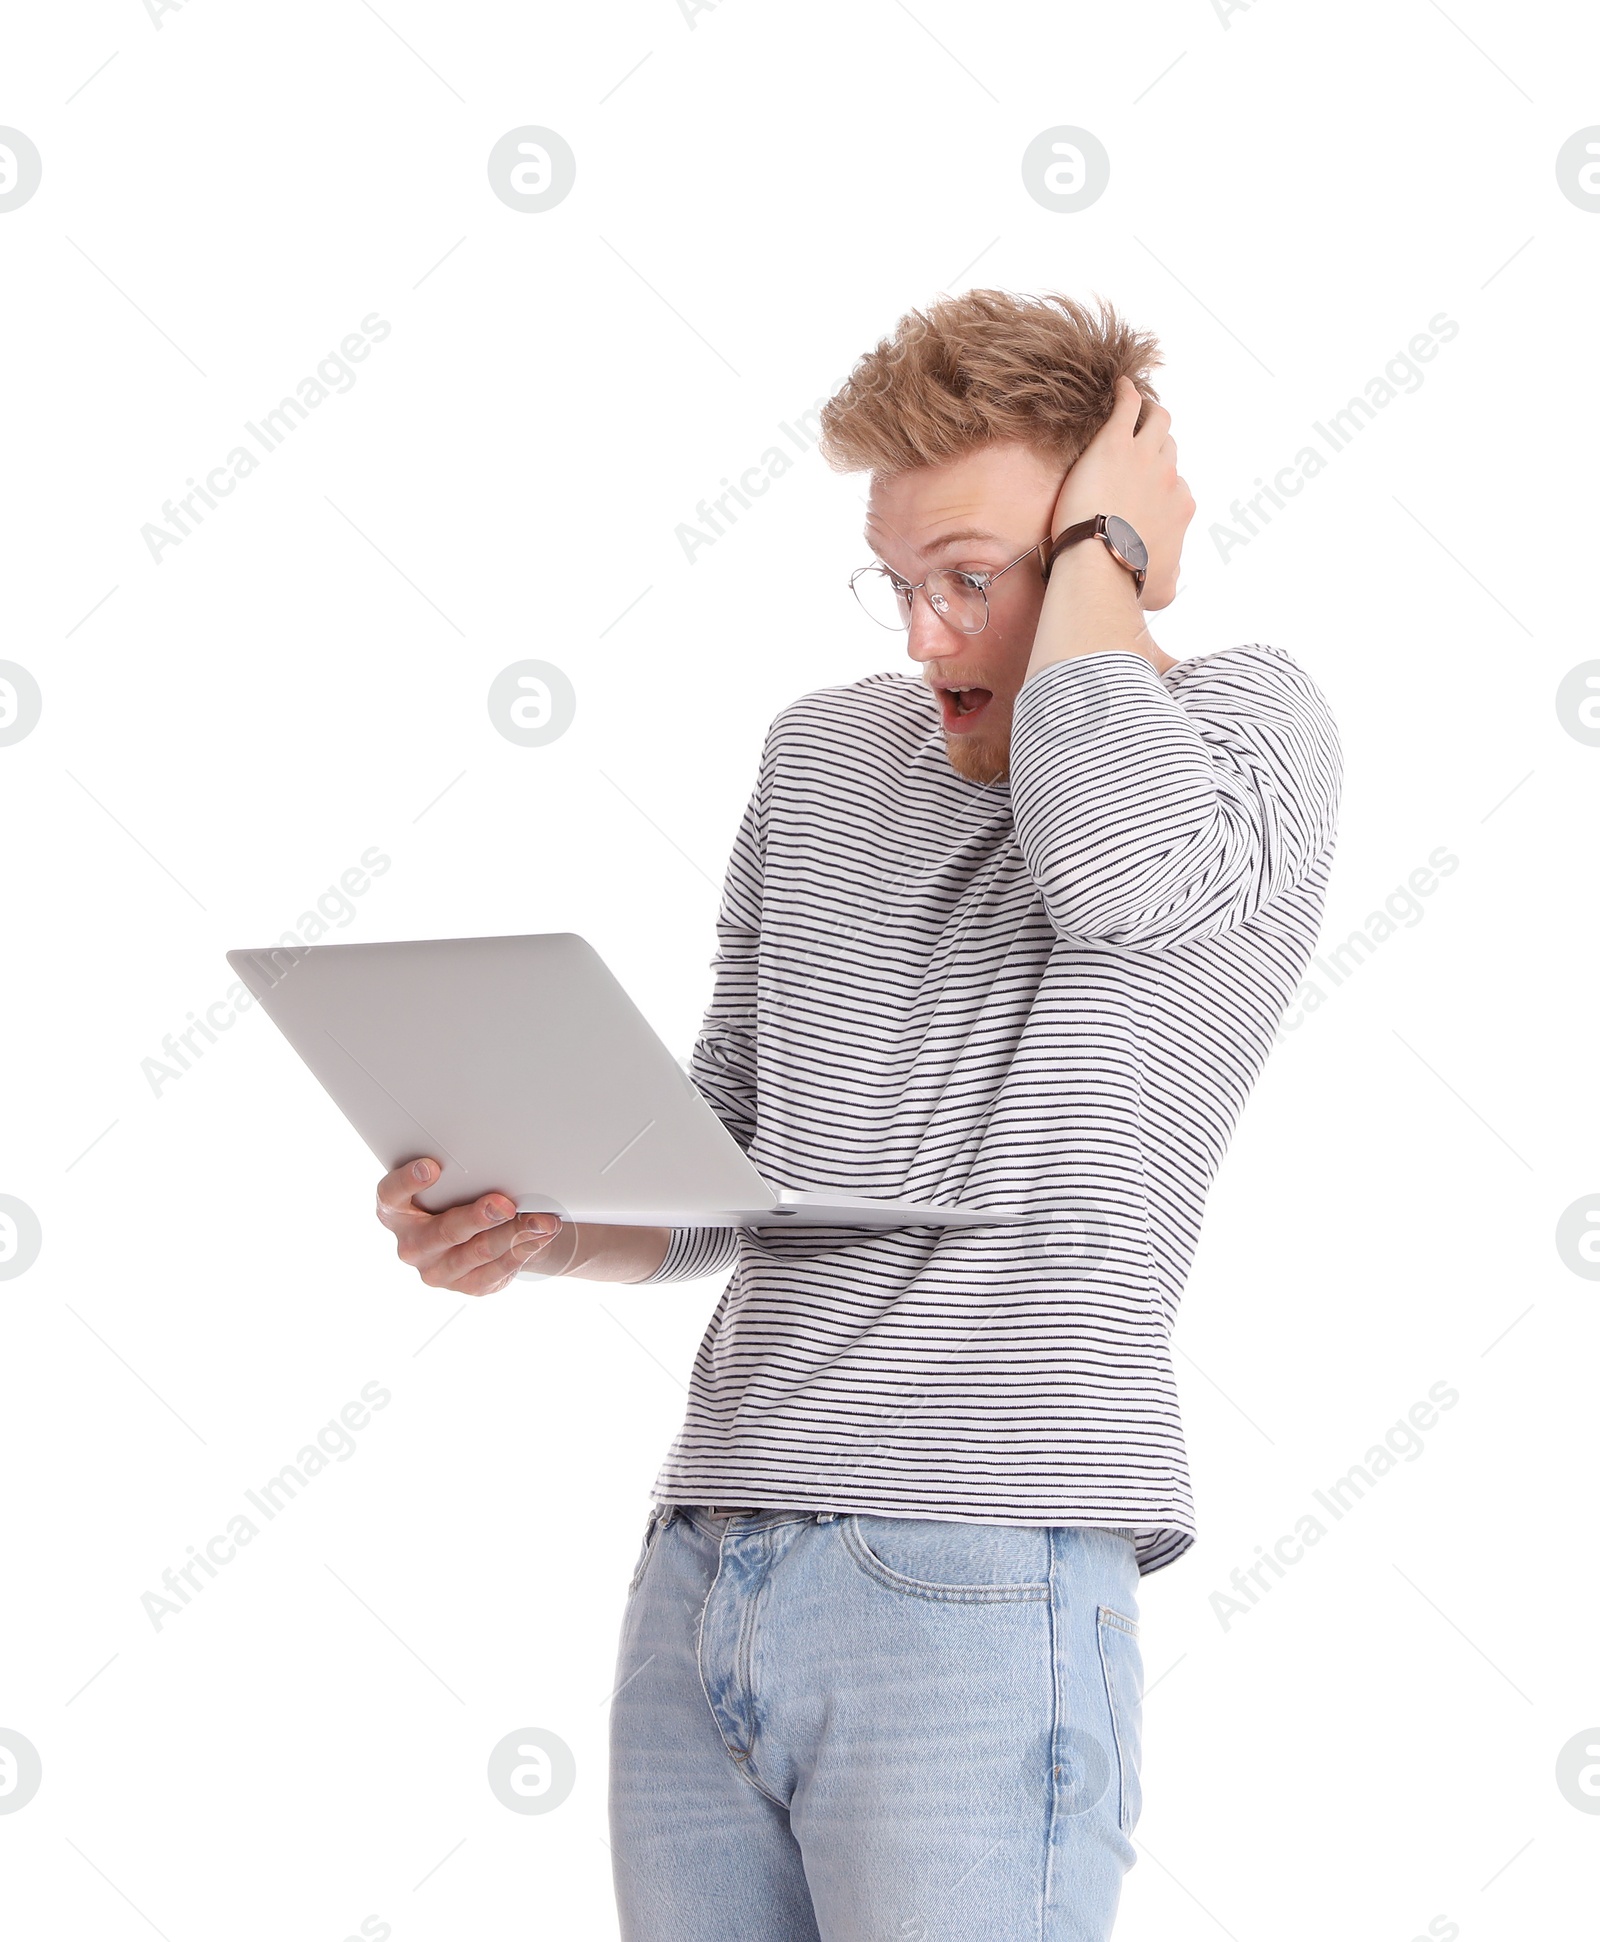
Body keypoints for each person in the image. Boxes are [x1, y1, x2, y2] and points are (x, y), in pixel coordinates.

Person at [374, 290, 1342, 1940]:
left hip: (978, 1571)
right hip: (710, 1555)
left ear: (1114, 545)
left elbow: (1111, 875)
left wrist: (1107, 552)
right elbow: (728, 1159)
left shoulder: (1240, 736)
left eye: (973, 575)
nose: (921, 637)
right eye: (898, 581)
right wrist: (533, 1219)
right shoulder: (822, 758)